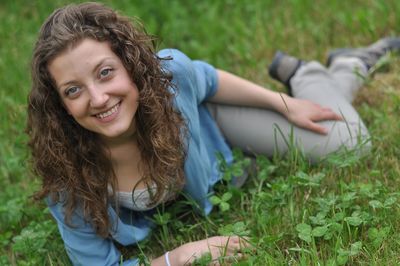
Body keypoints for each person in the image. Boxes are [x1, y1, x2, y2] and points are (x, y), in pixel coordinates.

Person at [26, 2, 400, 265]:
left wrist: (283, 104)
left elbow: (208, 79)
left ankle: (307, 76)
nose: (98, 97)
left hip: (215, 125)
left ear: (131, 65)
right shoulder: (68, 183)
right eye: (73, 90)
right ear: (60, 106)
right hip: (224, 162)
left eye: (105, 72)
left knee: (349, 143)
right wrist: (177, 258)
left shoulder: (169, 78)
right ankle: (349, 67)